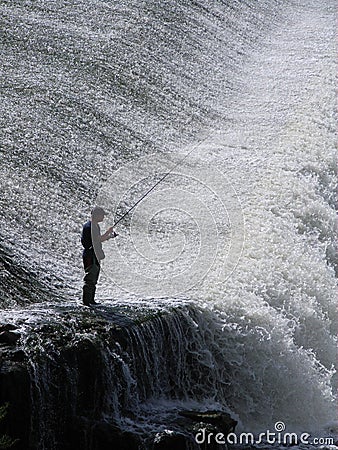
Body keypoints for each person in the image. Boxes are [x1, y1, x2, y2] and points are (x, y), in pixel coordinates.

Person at [81, 206, 117, 306]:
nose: (103, 217)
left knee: (94, 279)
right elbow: (97, 239)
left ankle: (91, 301)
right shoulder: (90, 227)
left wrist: (109, 236)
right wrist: (108, 232)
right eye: (102, 215)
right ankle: (86, 302)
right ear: (96, 215)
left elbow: (98, 240)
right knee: (90, 279)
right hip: (90, 255)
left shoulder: (95, 225)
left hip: (95, 255)